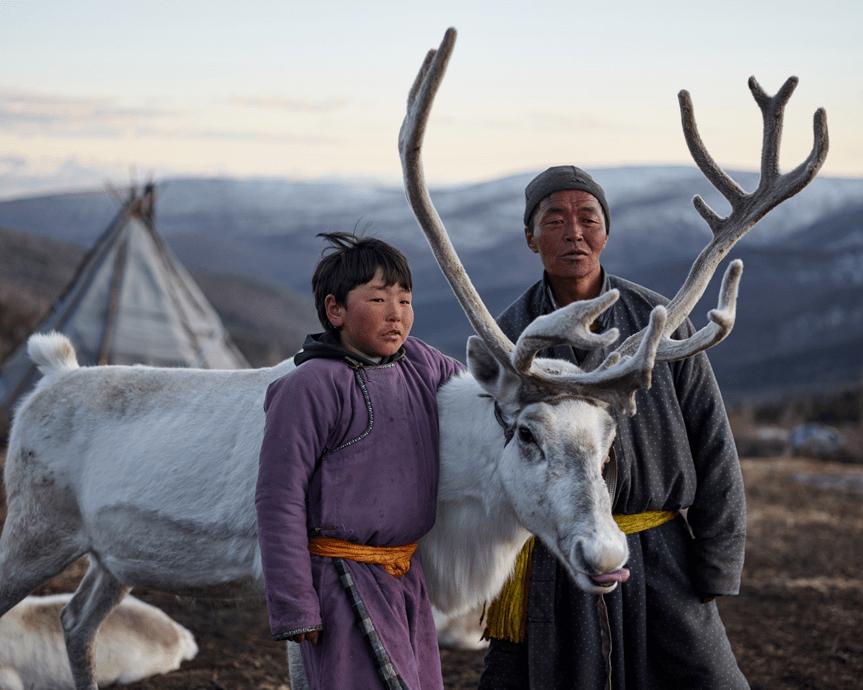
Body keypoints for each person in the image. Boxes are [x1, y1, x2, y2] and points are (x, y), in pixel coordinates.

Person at [478, 166, 749, 690]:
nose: (573, 233)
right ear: (530, 237)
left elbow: (711, 438)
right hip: (556, 558)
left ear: (606, 231)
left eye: (588, 218)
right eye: (554, 220)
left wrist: (718, 557)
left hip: (661, 553)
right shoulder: (507, 336)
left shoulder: (661, 319)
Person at [255, 232, 463, 690]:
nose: (397, 314)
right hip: (341, 582)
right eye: (378, 299)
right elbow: (278, 497)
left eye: (405, 300)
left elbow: (479, 398)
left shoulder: (421, 364)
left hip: (406, 577)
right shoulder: (309, 387)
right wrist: (294, 603)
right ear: (335, 310)